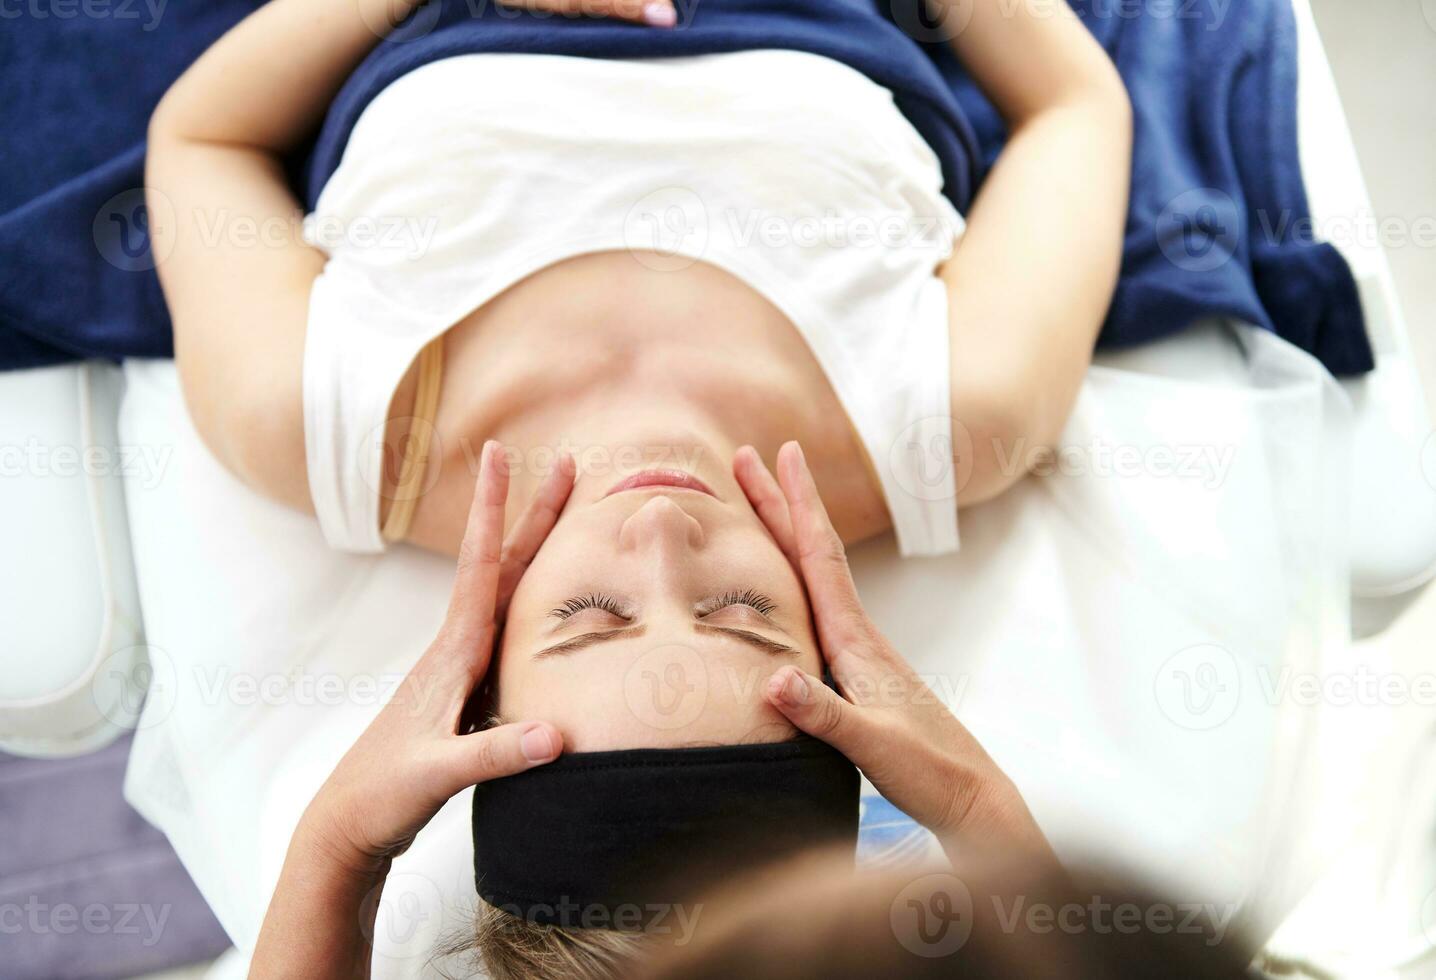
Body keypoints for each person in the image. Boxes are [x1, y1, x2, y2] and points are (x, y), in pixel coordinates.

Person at [251, 442, 1054, 977]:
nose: (662, 524)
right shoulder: (952, 431)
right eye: (743, 610)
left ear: (481, 687)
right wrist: (973, 803)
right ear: (841, 665)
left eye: (588, 612)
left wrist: (340, 840)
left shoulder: (326, 440)